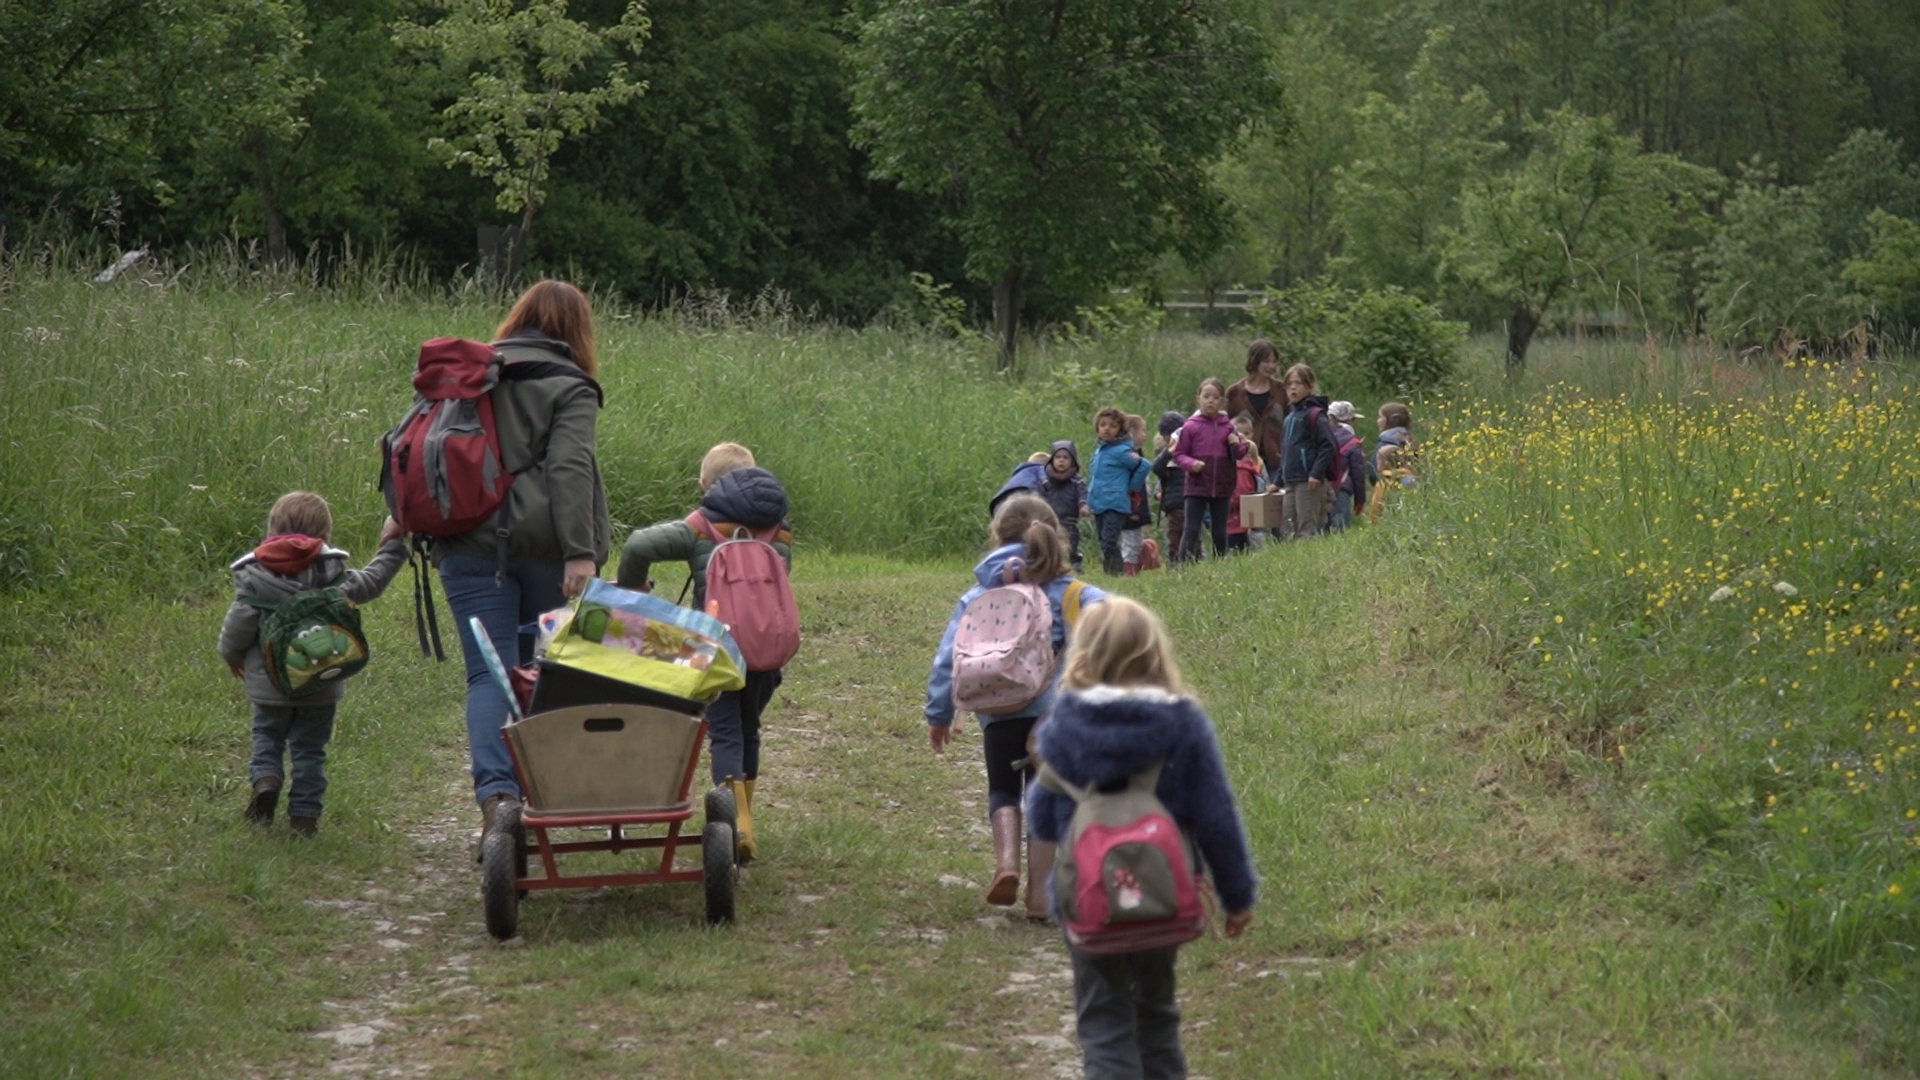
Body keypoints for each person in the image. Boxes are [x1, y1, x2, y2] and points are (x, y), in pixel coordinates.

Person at [1026, 597, 1257, 1080]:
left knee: (1104, 1023)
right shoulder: (1183, 724)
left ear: (1083, 655)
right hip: (1161, 895)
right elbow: (1216, 816)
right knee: (1157, 1018)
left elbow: (1043, 818)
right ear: (1154, 654)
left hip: (1086, 900)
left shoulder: (1063, 724)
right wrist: (1236, 895)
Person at [434, 279, 610, 851]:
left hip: (463, 544)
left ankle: (498, 801)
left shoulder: (469, 371)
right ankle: (544, 799)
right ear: (577, 330)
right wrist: (580, 550)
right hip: (541, 551)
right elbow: (570, 468)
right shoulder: (570, 384)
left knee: (487, 674)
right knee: (545, 674)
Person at [925, 494, 1108, 919]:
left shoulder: (978, 592)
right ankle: (1041, 898)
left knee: (1002, 790)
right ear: (1054, 537)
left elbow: (947, 656)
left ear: (997, 536)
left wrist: (940, 714)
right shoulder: (1072, 591)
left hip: (997, 713)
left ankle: (1006, 864)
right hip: (1051, 714)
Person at [616, 442, 792, 862]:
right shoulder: (779, 531)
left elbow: (638, 545)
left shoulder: (701, 527)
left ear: (705, 484)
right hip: (767, 652)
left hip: (715, 650)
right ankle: (745, 822)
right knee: (749, 728)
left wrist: (633, 593)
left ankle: (733, 826)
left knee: (725, 732)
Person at [219, 492, 407, 836]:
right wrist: (393, 547)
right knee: (309, 748)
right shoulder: (333, 574)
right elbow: (372, 581)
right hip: (321, 679)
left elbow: (236, 630)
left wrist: (232, 658)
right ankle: (304, 816)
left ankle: (266, 781)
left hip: (269, 684)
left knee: (267, 735)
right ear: (324, 533)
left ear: (272, 528)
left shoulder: (254, 577)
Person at [1173, 378, 1247, 562]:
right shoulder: (1190, 426)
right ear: (1198, 399)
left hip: (1222, 485)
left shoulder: (1228, 426)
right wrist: (1191, 464)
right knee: (1191, 529)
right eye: (1206, 396)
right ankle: (1182, 567)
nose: (1210, 401)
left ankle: (1220, 563)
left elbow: (1239, 454)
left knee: (1219, 531)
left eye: (1215, 397)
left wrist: (1238, 443)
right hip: (1197, 485)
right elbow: (1179, 453)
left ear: (1222, 401)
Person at [1088, 406, 1149, 576]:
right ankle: (1110, 573)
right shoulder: (1099, 451)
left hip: (1115, 503)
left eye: (1112, 426)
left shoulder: (1122, 451)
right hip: (1099, 503)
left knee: (1109, 541)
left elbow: (1144, 465)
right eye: (1103, 425)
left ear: (1120, 429)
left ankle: (1117, 574)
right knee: (1103, 540)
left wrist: (1133, 487)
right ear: (1097, 428)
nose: (1107, 429)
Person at [1276, 363, 1335, 540]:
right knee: (1287, 527)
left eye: (1298, 383)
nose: (1293, 387)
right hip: (1290, 480)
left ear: (1309, 386)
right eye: (1289, 384)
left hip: (1308, 480)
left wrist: (1316, 473)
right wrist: (1278, 480)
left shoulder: (1315, 415)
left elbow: (1328, 445)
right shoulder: (1289, 418)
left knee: (1306, 526)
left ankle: (1311, 563)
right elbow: (1285, 452)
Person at [1224, 339, 1284, 489]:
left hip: (1276, 462)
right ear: (1254, 360)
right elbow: (1225, 427)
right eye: (1266, 361)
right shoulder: (1234, 393)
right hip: (1243, 463)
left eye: (1274, 362)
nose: (1271, 366)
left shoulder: (1282, 391)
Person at [1036, 441, 1090, 574]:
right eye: (1058, 457)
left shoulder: (1077, 481)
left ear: (1072, 461)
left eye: (1066, 458)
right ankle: (1052, 566)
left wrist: (1083, 505)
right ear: (1052, 460)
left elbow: (1082, 494)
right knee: (1051, 544)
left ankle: (1075, 563)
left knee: (1072, 543)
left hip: (1070, 520)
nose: (1061, 461)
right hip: (1050, 520)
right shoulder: (1045, 481)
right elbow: (1039, 498)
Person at [1368, 401, 1418, 523]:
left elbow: (1374, 472)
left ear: (1391, 420)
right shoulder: (1409, 438)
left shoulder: (1385, 441)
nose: (1377, 421)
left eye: (1380, 417)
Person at [1224, 412, 1266, 553]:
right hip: (1245, 514)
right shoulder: (1233, 463)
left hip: (1243, 515)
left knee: (1238, 548)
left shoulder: (1255, 462)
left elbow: (1263, 483)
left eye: (1246, 433)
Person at [1325, 401, 1370, 532]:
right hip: (1341, 490)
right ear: (1351, 420)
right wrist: (1360, 499)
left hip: (1319, 488)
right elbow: (1358, 474)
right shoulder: (1352, 443)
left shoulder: (1322, 437)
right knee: (1340, 527)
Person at [1149, 411, 1187, 562]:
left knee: (1191, 536)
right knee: (1174, 538)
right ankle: (1175, 565)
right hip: (1172, 505)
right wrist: (1168, 453)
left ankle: (1193, 562)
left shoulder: (1189, 452)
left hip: (1188, 502)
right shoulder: (1166, 456)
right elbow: (1156, 469)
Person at [1118, 414, 1152, 575]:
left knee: (1136, 540)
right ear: (1131, 433)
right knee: (1130, 540)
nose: (1145, 435)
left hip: (1137, 504)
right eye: (1142, 430)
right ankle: (1128, 569)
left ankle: (1134, 566)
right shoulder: (1129, 457)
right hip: (1131, 505)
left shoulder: (1136, 453)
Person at [991, 451, 1052, 518]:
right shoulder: (1040, 467)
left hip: (1000, 501)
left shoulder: (1017, 475)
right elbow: (1045, 480)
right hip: (1024, 494)